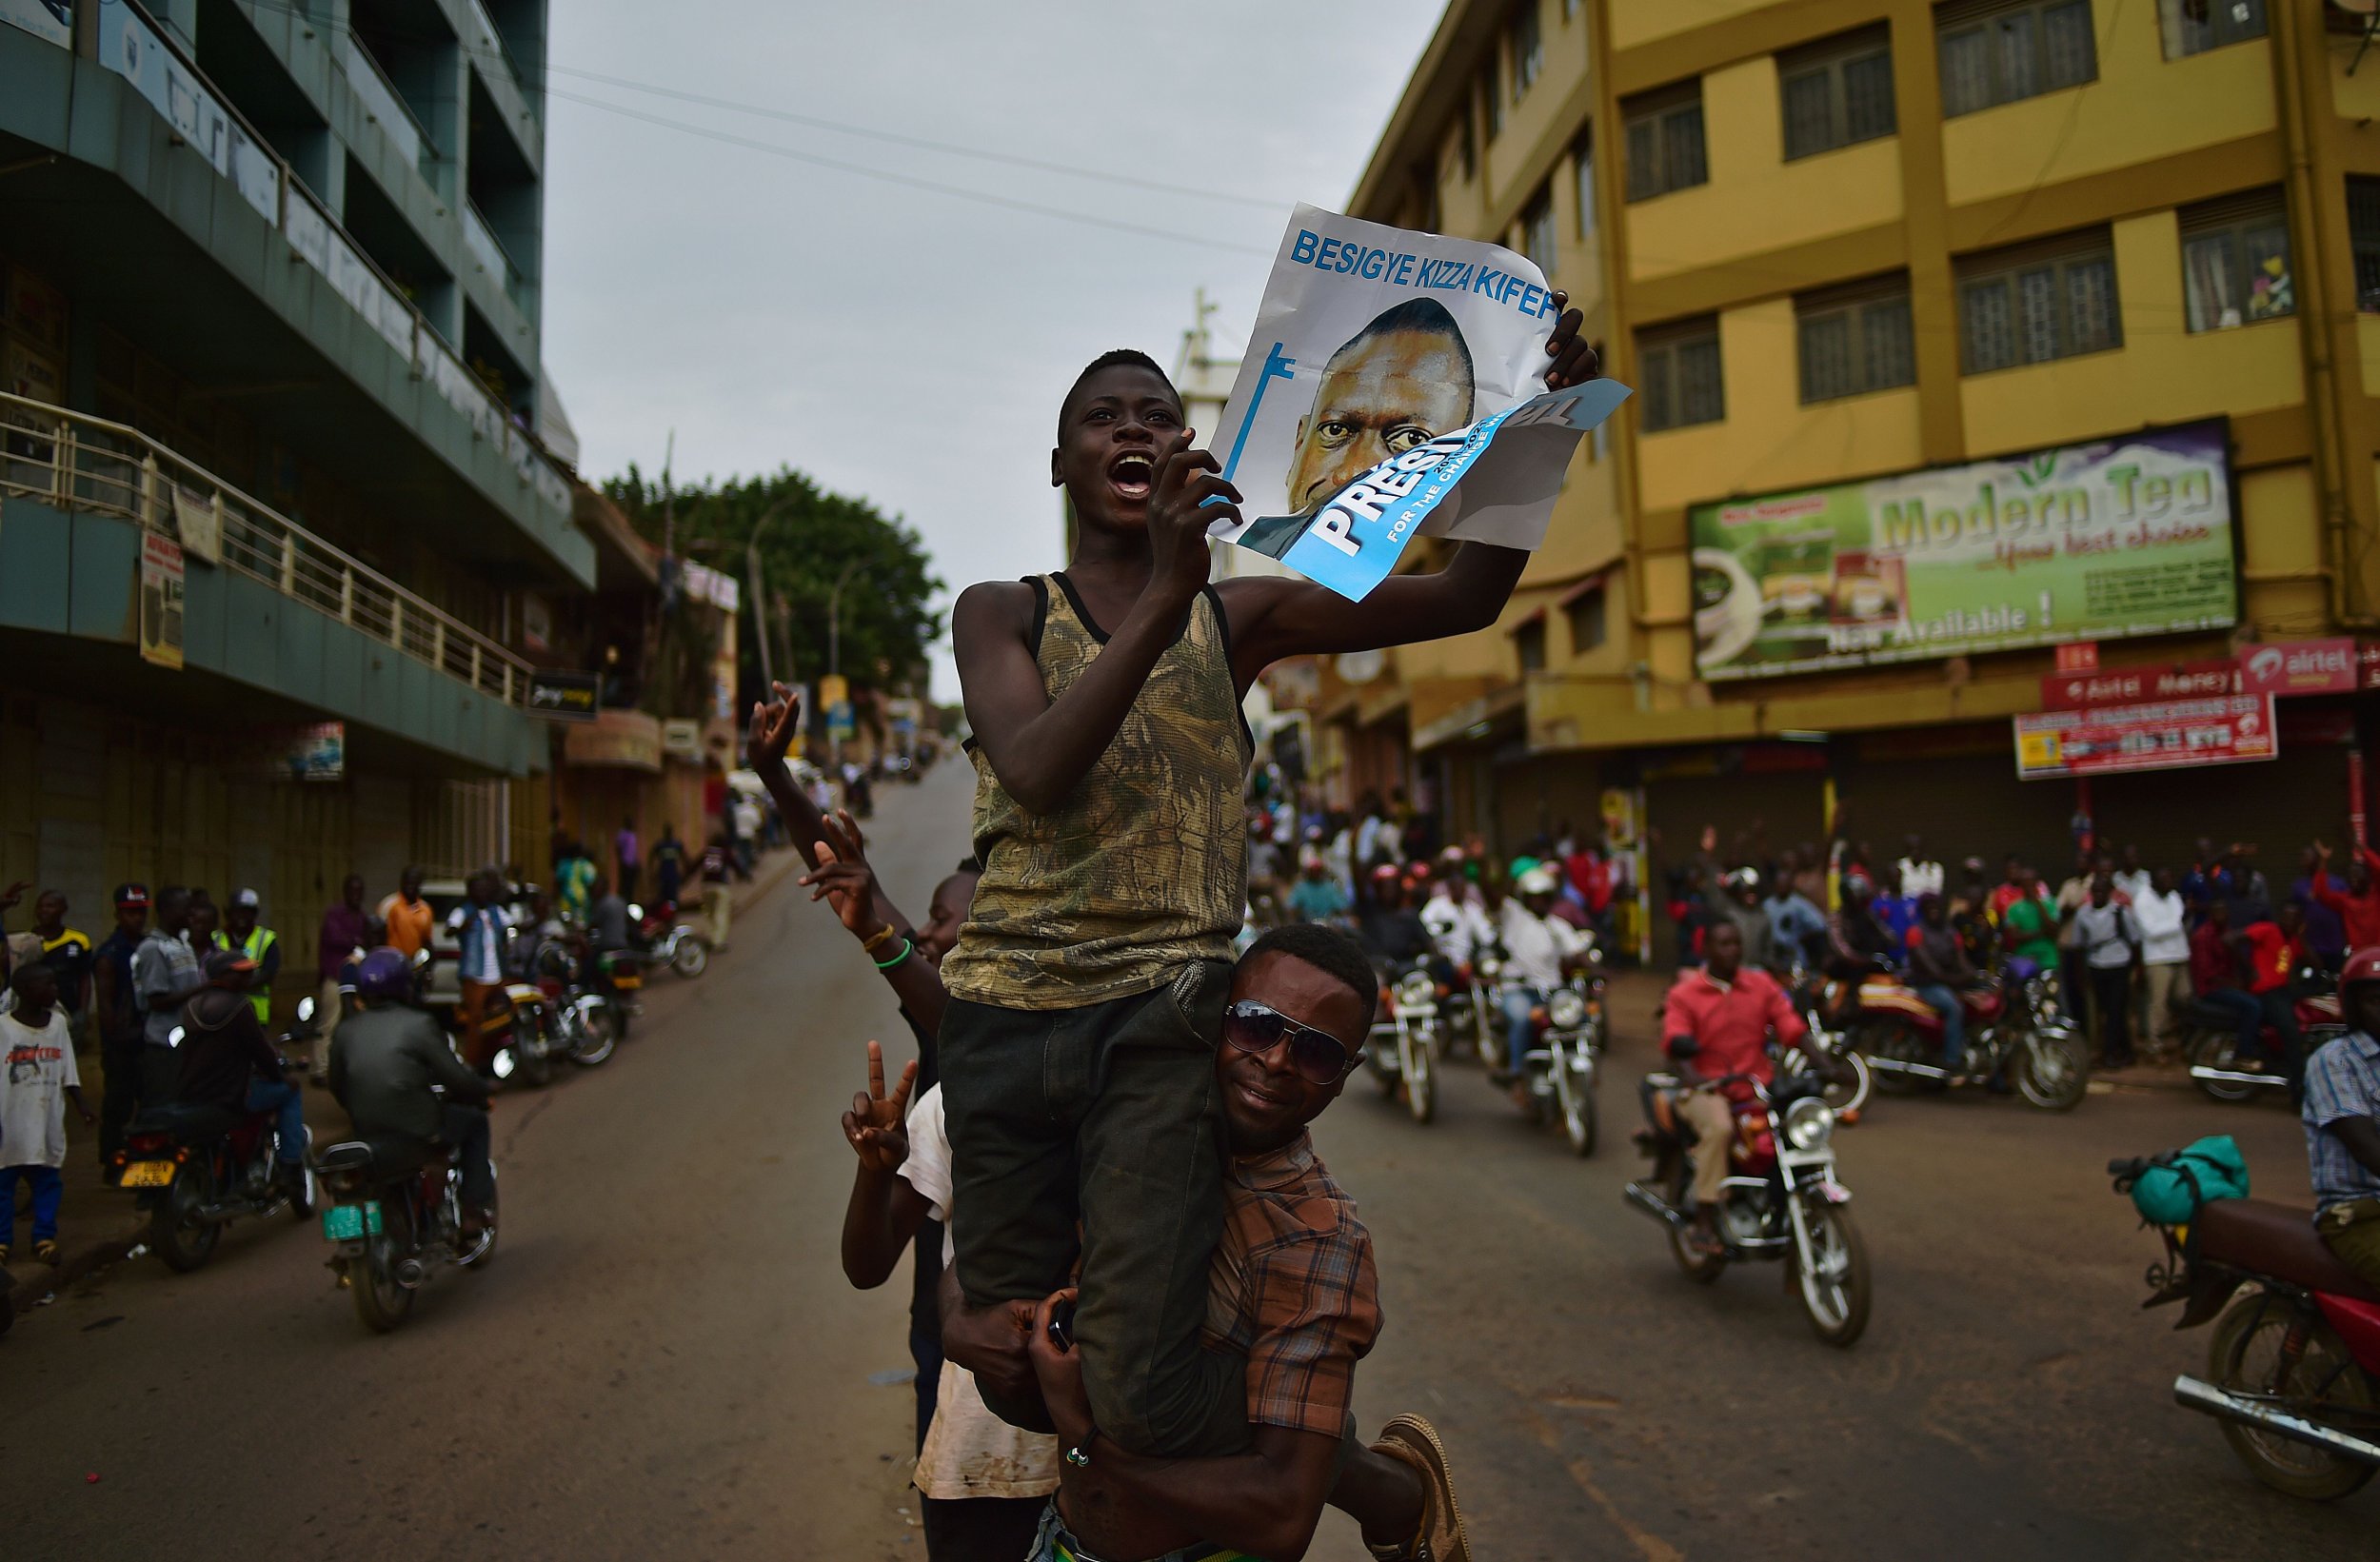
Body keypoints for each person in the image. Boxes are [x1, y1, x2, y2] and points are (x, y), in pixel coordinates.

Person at [939, 322, 1596, 1458]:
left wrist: (1543, 431)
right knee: (1002, 1366)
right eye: (1103, 418)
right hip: (1004, 1024)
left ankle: (1320, 1470)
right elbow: (1038, 773)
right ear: (1062, 465)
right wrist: (1163, 591)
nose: (1132, 428)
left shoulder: (1236, 618)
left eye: (1154, 415)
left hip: (1155, 1020)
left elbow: (1465, 597)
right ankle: (1238, 1486)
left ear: (1187, 449)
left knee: (1133, 1389)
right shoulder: (999, 610)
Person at [947, 927, 1462, 1562]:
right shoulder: (1126, 1132)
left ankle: (1386, 1486)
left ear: (1345, 1075)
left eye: (1317, 1054)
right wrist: (960, 1320)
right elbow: (1001, 1235)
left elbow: (1280, 1515)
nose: (1276, 1061)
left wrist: (1088, 1438)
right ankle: (1371, 1475)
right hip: (1061, 1543)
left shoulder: (1317, 1237)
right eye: (1256, 1025)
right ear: (1214, 1016)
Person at [1239, 298, 1480, 560]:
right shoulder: (1237, 596)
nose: (1351, 473)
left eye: (1411, 438)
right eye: (1335, 430)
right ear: (1300, 442)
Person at [1662, 920, 1817, 1260]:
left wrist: (1825, 1060)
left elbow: (1790, 1025)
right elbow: (1675, 1040)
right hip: (1707, 1088)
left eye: (1736, 943)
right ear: (1706, 950)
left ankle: (1795, 1204)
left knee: (1804, 1124)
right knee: (1719, 1128)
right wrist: (1692, 1076)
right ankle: (1704, 1218)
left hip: (1756, 1088)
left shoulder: (1760, 984)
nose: (1732, 950)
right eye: (1723, 944)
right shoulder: (1684, 994)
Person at [329, 947, 493, 1236]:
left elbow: (337, 1085)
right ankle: (473, 1210)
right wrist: (481, 1091)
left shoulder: (346, 1029)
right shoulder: (419, 1024)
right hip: (417, 1131)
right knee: (476, 1123)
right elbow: (455, 1077)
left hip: (367, 1131)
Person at [176, 949, 307, 1203]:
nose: (248, 978)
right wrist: (279, 1075)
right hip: (231, 1095)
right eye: (241, 974)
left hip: (192, 1095)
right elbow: (261, 1053)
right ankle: (291, 1164)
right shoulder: (238, 1007)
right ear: (223, 976)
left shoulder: (193, 1005)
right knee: (291, 1090)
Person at [0, 963, 95, 1266]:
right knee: (4, 1185)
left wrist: (81, 1104)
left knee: (47, 1181)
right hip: (10, 1121)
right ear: (25, 991)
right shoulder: (3, 1027)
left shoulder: (57, 1025)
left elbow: (68, 1069)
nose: (55, 991)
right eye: (48, 985)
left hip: (46, 1119)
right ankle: (3, 1240)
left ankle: (43, 1236)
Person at [2303, 949, 2380, 1295]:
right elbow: (2367, 1149)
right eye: (2375, 1000)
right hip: (2357, 1215)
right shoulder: (2335, 1061)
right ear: (2353, 1006)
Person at [1497, 868, 1589, 1089]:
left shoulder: (1558, 925)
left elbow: (1576, 952)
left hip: (1552, 991)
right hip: (1519, 990)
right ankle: (1517, 1071)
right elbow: (1494, 895)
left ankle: (1584, 1065)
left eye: (1544, 897)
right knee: (1521, 1018)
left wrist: (1598, 969)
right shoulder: (1514, 918)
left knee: (1581, 1017)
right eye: (1534, 897)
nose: (1539, 902)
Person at [91, 884, 151, 1167]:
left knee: (151, 1099)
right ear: (117, 914)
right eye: (130, 913)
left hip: (148, 1036)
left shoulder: (148, 946)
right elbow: (105, 1004)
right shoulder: (110, 954)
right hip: (121, 1042)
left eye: (140, 912)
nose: (136, 918)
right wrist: (114, 1040)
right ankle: (112, 1159)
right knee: (118, 1103)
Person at [131, 887, 208, 1106]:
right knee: (164, 1106)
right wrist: (204, 989)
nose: (191, 913)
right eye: (186, 908)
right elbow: (157, 1000)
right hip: (165, 1043)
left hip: (189, 1041)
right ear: (167, 911)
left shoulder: (183, 944)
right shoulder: (153, 948)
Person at [2237, 902, 2309, 1099]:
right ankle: (2298, 1092)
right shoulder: (2267, 930)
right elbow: (2231, 939)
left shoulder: (2293, 940)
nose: (2288, 922)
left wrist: (2301, 937)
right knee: (2291, 1035)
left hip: (2283, 991)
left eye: (2294, 918)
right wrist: (2249, 969)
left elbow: (2313, 961)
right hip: (2266, 992)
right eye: (2285, 917)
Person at [2073, 873, 2142, 1070]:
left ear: (2110, 893)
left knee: (2115, 1010)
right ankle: (2127, 1051)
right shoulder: (2083, 914)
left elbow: (2135, 942)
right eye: (2095, 891)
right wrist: (2081, 975)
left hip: (2119, 966)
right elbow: (2078, 947)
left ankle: (2109, 1054)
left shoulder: (2121, 912)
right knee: (2108, 1012)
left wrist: (2138, 971)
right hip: (2096, 967)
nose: (2099, 894)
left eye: (2103, 891)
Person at [1908, 893, 1981, 1078]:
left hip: (1950, 982)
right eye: (1928, 905)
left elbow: (1962, 960)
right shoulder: (1915, 932)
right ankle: (1951, 1059)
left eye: (1936, 904)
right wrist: (1956, 979)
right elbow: (1930, 968)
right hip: (1927, 984)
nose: (1933, 908)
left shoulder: (1951, 932)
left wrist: (1974, 975)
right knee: (1954, 1008)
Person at [446, 870, 512, 1070]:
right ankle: (470, 1067)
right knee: (475, 1022)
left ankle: (501, 1058)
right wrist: (462, 928)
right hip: (475, 976)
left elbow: (511, 926)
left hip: (497, 974)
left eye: (485, 889)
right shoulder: (463, 911)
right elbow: (449, 929)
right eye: (477, 890)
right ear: (470, 892)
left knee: (506, 1013)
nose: (482, 893)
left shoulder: (495, 911)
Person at [2189, 899, 2264, 1071]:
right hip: (2211, 989)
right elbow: (2206, 973)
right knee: (2252, 1006)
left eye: (2224, 913)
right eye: (2217, 913)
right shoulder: (2203, 937)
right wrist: (2233, 985)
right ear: (2210, 915)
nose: (2221, 916)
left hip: (2225, 984)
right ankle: (2243, 1055)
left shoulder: (2227, 933)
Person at [315, 875, 372, 1082]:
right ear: (345, 892)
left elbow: (368, 942)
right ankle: (322, 1070)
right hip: (334, 977)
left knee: (352, 1028)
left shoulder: (363, 917)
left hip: (355, 981)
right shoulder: (334, 914)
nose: (356, 896)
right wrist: (356, 943)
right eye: (352, 891)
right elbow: (335, 938)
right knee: (329, 1025)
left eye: (360, 891)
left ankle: (346, 1070)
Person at [2133, 867, 2192, 1059]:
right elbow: (2151, 931)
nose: (2169, 883)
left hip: (2180, 955)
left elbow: (2178, 920)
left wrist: (2177, 922)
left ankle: (2182, 1038)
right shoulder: (2142, 899)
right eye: (2164, 880)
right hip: (2158, 959)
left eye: (2170, 879)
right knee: (2159, 1002)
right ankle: (2154, 1043)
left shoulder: (2173, 895)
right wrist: (2178, 922)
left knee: (2185, 997)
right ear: (2153, 882)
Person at [26, 891, 93, 1044]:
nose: (44, 910)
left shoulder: (79, 941)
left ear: (63, 909)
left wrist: (82, 1011)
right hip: (36, 1014)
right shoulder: (27, 941)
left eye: (50, 906)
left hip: (68, 1011)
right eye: (40, 906)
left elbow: (85, 977)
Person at [213, 887, 280, 1026]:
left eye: (247, 912)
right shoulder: (215, 938)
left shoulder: (266, 939)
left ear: (255, 914)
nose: (241, 917)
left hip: (255, 1014)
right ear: (228, 914)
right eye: (237, 912)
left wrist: (239, 985)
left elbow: (269, 973)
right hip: (220, 1012)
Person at [2311, 840, 2380, 953]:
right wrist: (2323, 861)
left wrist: (2365, 852)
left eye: (2357, 874)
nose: (2354, 879)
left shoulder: (2377, 893)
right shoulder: (2344, 900)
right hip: (2358, 955)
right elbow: (2321, 893)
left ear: (2367, 877)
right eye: (2351, 876)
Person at [1356, 865, 1432, 967]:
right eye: (1385, 887)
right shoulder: (1370, 914)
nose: (1389, 890)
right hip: (1380, 968)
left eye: (1393, 886)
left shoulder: (1409, 915)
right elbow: (1358, 884)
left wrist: (1435, 955)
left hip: (1409, 967)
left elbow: (1427, 941)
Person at [2292, 845, 2349, 975]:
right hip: (2310, 947)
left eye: (2306, 856)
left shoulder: (2338, 883)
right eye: (2301, 857)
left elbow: (2346, 913)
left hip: (2335, 945)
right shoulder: (2298, 885)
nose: (2303, 861)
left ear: (2317, 859)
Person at [1760, 871, 1826, 974]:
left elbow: (1820, 925)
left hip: (1793, 954)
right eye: (1779, 884)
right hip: (1773, 954)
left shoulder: (1798, 904)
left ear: (1790, 885)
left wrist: (1802, 938)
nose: (1781, 887)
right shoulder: (1767, 905)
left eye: (1784, 883)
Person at [2000, 867, 2060, 972]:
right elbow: (2015, 936)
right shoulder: (2013, 908)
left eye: (2031, 882)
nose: (2029, 886)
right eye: (2025, 883)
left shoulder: (2050, 904)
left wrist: (2037, 903)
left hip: (2048, 960)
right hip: (2024, 961)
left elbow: (2053, 931)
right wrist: (2039, 933)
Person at [378, 868, 434, 960]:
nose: (410, 886)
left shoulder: (426, 909)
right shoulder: (389, 904)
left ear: (420, 884)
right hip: (392, 961)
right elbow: (379, 937)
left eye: (414, 883)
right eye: (407, 882)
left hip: (414, 963)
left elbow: (426, 940)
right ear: (401, 883)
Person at [1286, 854, 1349, 925]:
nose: (1315, 873)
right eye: (1312, 870)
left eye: (1317, 870)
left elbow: (1343, 907)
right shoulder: (1301, 887)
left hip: (1328, 923)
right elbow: (1291, 907)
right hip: (1307, 923)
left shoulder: (1329, 887)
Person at [701, 833, 734, 953]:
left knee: (709, 914)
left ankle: (710, 937)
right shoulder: (724, 852)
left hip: (706, 885)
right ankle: (718, 942)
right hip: (720, 886)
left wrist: (683, 879)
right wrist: (745, 875)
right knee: (721, 914)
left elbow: (694, 866)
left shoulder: (707, 852)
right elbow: (734, 863)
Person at [553, 842, 597, 922]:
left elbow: (557, 883)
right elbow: (591, 884)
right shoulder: (586, 865)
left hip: (566, 901)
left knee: (566, 923)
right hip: (582, 902)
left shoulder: (563, 864)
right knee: (581, 924)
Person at [651, 823, 687, 910]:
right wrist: (651, 870)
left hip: (673, 875)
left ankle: (672, 912)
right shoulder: (660, 845)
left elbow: (684, 857)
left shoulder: (676, 845)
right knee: (663, 896)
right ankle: (664, 913)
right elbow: (651, 856)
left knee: (673, 897)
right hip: (663, 874)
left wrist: (685, 871)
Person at [1896, 834, 1943, 900]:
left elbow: (1935, 892)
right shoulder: (1900, 866)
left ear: (1923, 849)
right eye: (1911, 849)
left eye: (1917, 848)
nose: (1915, 852)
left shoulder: (1934, 868)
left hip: (1925, 906)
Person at [614, 817, 642, 903]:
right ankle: (621, 903)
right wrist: (622, 861)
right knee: (624, 885)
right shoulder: (622, 834)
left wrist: (636, 861)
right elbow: (618, 848)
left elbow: (632, 850)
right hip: (625, 864)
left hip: (632, 864)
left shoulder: (632, 834)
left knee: (631, 886)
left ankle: (630, 904)